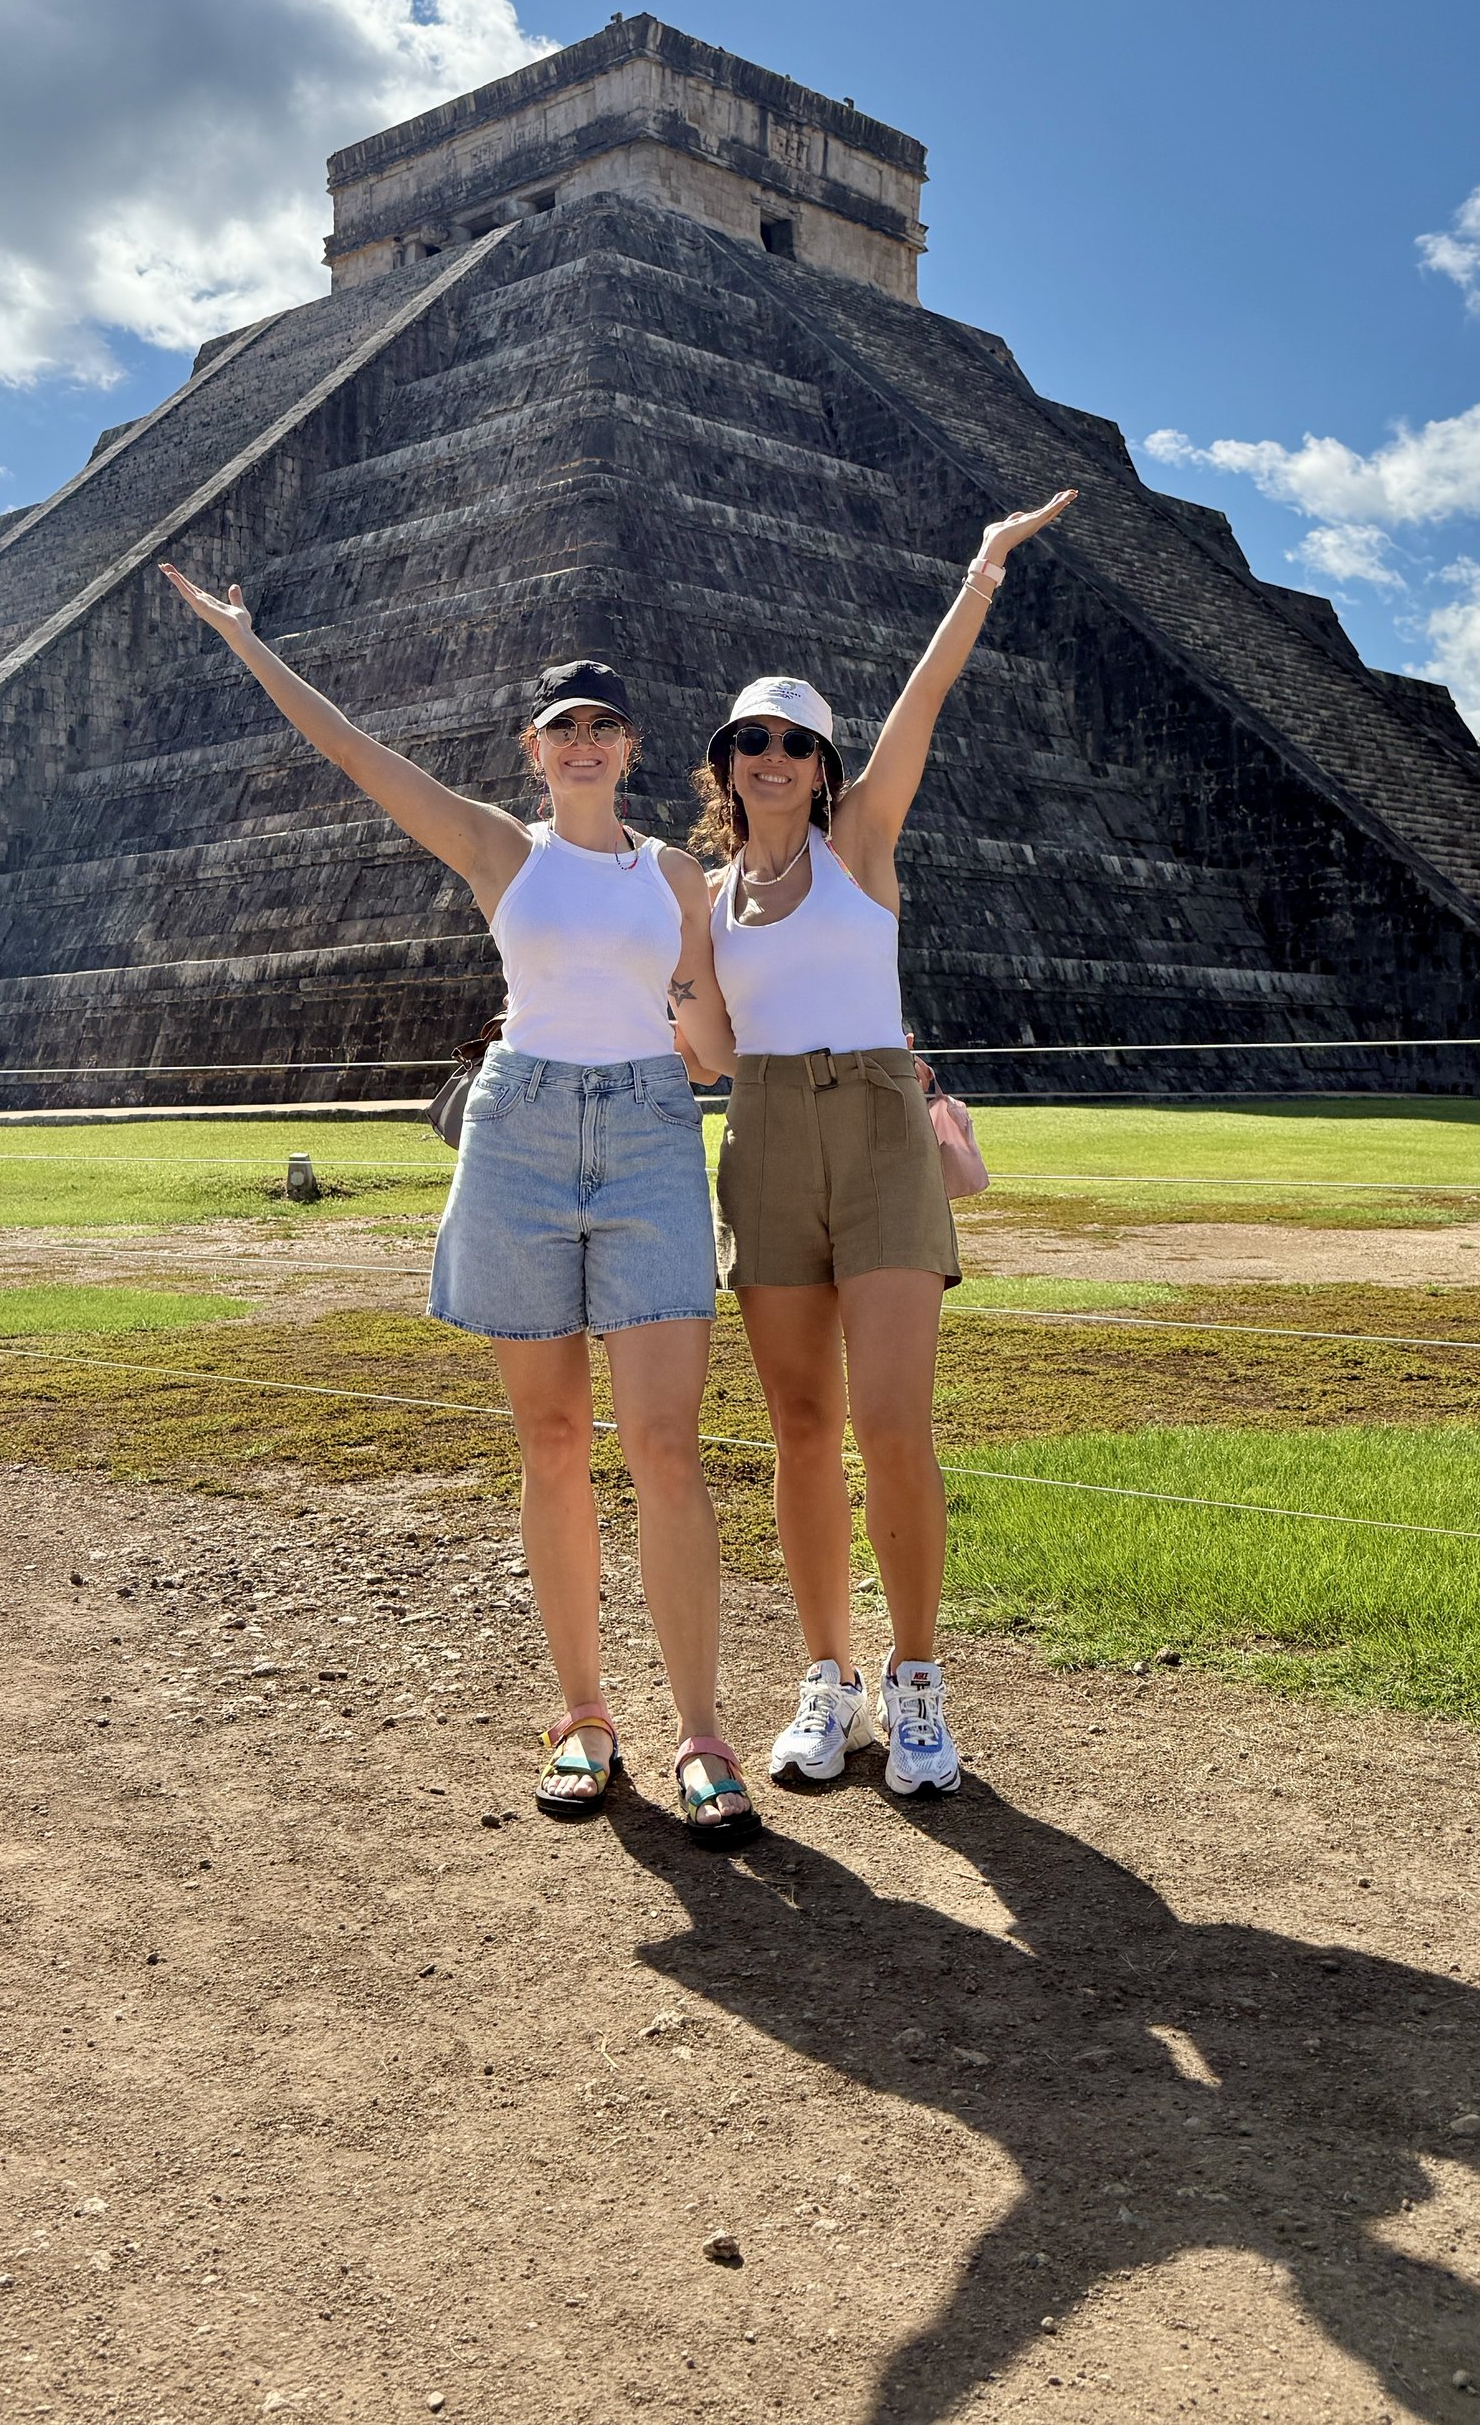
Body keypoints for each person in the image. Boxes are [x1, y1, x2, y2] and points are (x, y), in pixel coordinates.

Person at [157, 571, 758, 1843]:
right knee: (550, 1444)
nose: (585, 744)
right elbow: (355, 756)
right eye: (563, 729)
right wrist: (247, 642)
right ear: (532, 753)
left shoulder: (680, 878)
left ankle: (700, 1729)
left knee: (664, 1448)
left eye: (604, 725)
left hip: (650, 1128)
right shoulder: (501, 848)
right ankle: (584, 1716)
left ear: (632, 746)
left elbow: (707, 1042)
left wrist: (779, 1036)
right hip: (522, 1134)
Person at [687, 494, 1075, 1798]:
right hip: (763, 1133)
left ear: (824, 761)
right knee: (800, 1424)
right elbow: (696, 1044)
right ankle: (825, 1678)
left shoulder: (862, 843)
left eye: (795, 741)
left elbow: (926, 697)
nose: (773, 756)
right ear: (726, 760)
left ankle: (916, 1682)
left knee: (892, 1421)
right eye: (752, 739)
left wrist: (980, 571)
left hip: (878, 1125)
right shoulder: (707, 898)